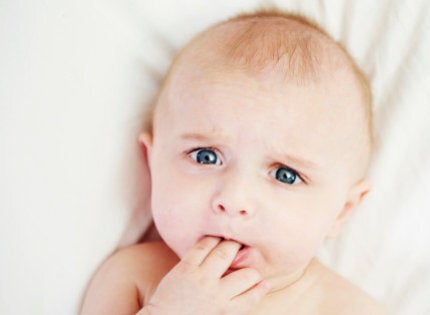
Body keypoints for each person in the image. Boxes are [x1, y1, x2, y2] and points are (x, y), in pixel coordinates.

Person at [81, 8, 386, 314]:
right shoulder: (135, 276)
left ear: (342, 211)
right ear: (152, 161)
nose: (233, 199)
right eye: (206, 156)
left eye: (285, 175)